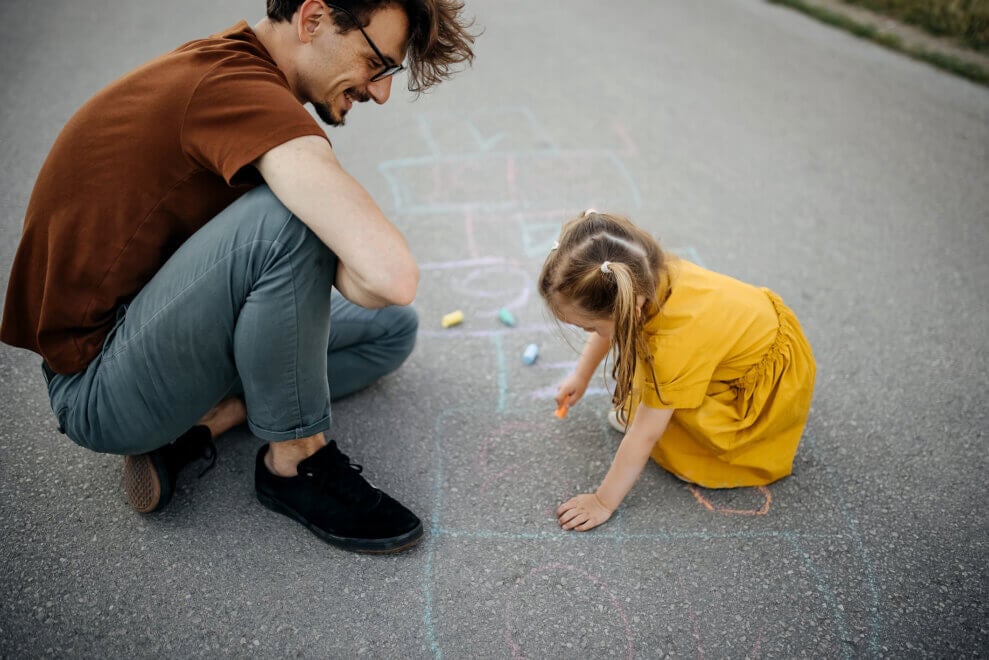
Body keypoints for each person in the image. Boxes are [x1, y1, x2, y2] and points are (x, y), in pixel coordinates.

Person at [0, 0, 476, 554]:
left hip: (149, 328)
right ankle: (294, 463)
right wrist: (328, 248)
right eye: (379, 64)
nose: (380, 91)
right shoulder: (235, 90)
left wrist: (333, 256)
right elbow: (390, 272)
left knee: (391, 329)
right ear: (313, 19)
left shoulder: (237, 71)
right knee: (290, 220)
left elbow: (387, 294)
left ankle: (209, 421)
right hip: (97, 387)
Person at [539, 210, 816, 532]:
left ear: (632, 307)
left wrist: (602, 502)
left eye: (591, 326)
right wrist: (581, 376)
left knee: (662, 421)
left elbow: (645, 433)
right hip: (732, 346)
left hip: (756, 385)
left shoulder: (673, 343)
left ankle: (727, 450)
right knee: (649, 386)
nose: (594, 334)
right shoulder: (643, 272)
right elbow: (611, 324)